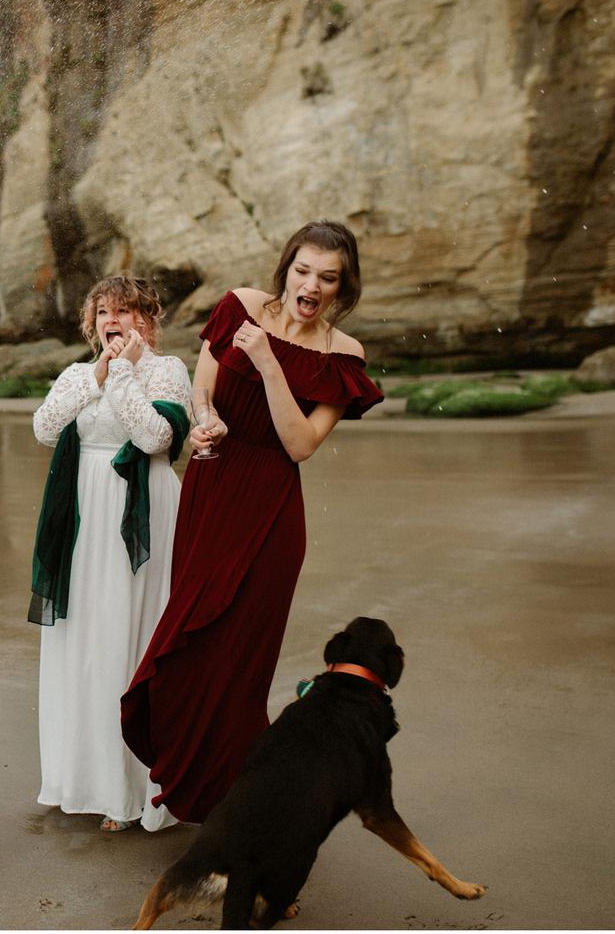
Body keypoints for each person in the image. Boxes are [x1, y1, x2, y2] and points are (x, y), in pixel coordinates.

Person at [120, 221, 385, 824]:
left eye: (327, 277)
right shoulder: (239, 306)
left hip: (271, 513)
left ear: (343, 286)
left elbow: (299, 446)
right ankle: (189, 779)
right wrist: (205, 417)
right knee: (191, 641)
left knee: (241, 665)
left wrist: (268, 365)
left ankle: (236, 803)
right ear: (286, 266)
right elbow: (202, 388)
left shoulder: (345, 356)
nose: (311, 286)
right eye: (303, 270)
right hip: (212, 489)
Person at [30, 276, 192, 832]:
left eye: (125, 310)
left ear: (147, 319)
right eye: (103, 311)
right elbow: (45, 427)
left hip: (142, 519)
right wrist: (96, 375)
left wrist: (123, 371)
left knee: (131, 635)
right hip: (83, 517)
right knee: (87, 638)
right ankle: (82, 777)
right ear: (91, 322)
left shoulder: (168, 371)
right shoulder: (80, 373)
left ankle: (127, 790)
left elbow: (155, 440)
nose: (113, 319)